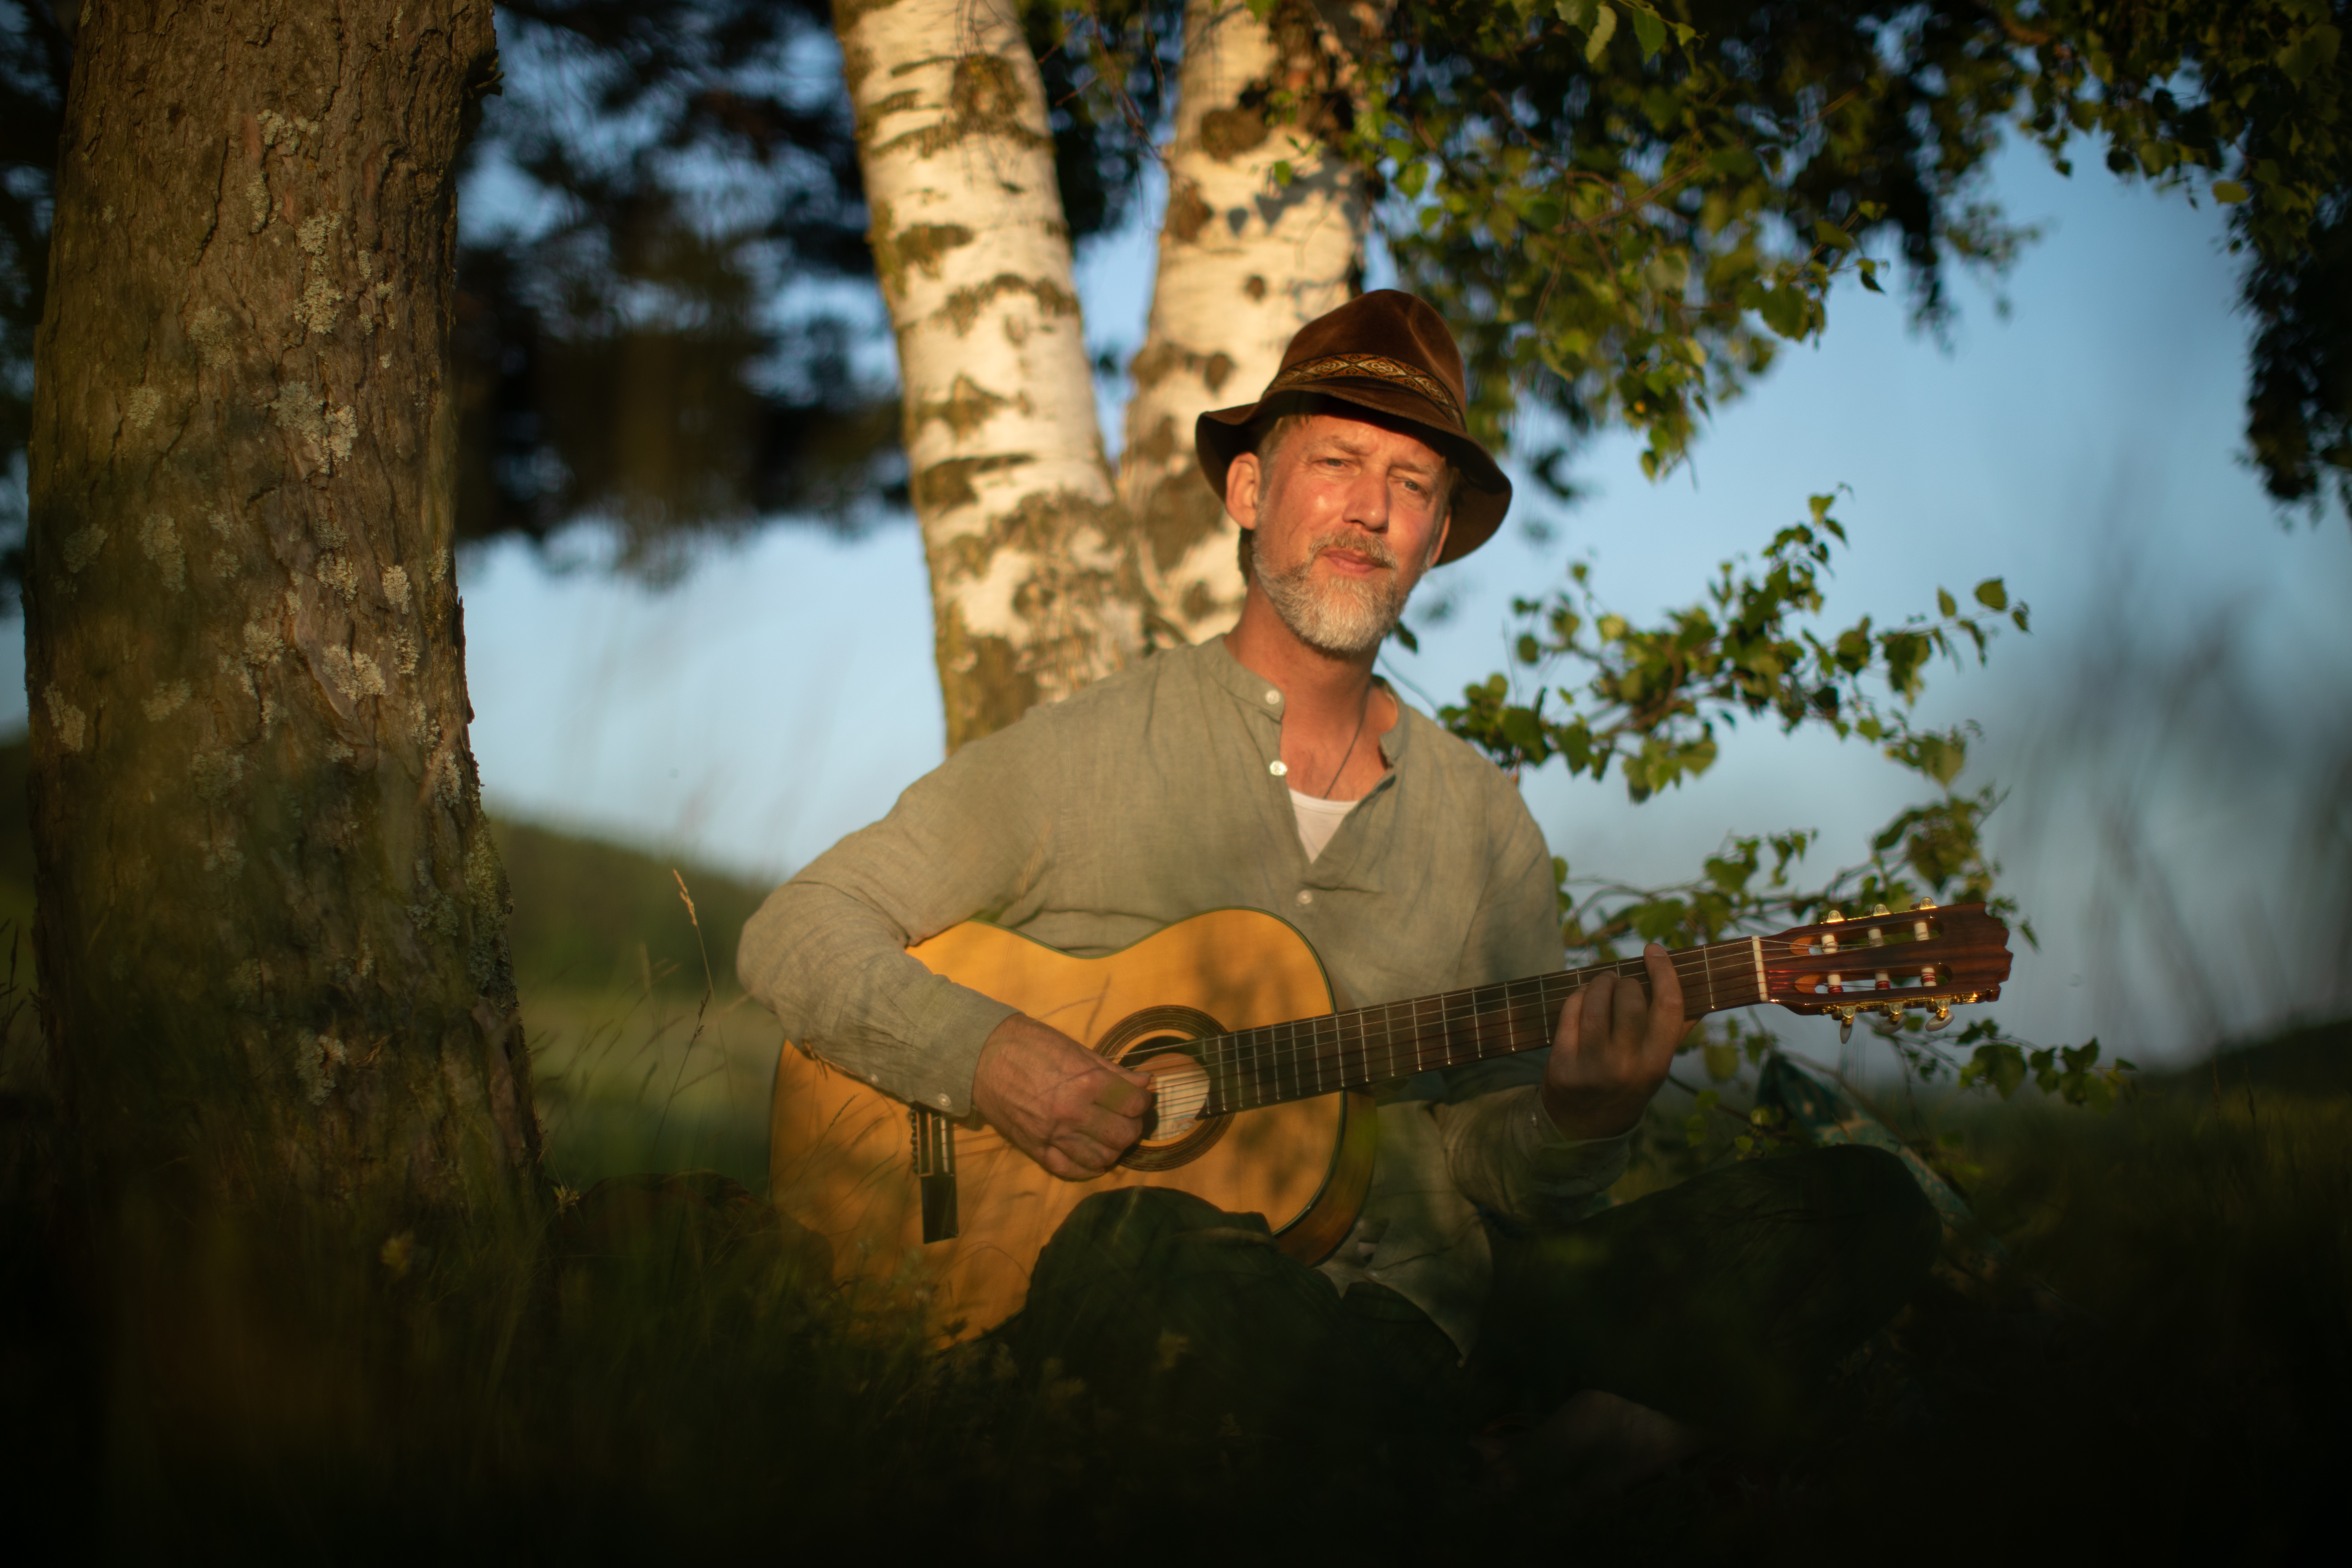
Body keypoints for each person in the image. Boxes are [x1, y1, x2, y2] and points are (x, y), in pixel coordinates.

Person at [739, 290, 1936, 1481]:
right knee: (1144, 1245)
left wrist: (1585, 1117)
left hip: (1438, 1322)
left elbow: (1501, 1173)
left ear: (1437, 537)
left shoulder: (1485, 827)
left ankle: (1442, 1477)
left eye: (1413, 487)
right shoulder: (1081, 754)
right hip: (1178, 1301)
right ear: (1252, 493)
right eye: (1339, 463)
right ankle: (1517, 1486)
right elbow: (799, 931)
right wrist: (989, 1056)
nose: (1371, 509)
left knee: (1865, 1208)